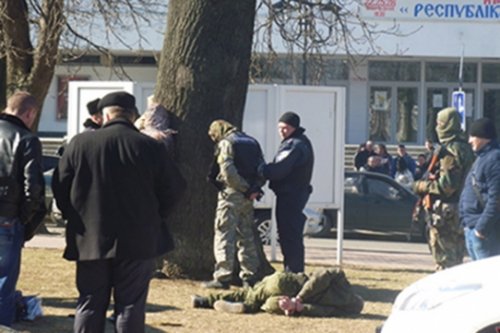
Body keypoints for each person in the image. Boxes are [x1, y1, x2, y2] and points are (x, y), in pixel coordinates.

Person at [52, 91, 186, 333]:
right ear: (133, 116)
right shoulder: (150, 147)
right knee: (130, 306)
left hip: (90, 237)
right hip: (139, 238)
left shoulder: (80, 144)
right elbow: (175, 189)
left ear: (104, 116)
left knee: (90, 302)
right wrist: (155, 216)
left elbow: (60, 186)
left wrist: (75, 216)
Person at [0, 92, 46, 327]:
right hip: (7, 217)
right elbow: (33, 188)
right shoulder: (26, 139)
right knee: (4, 282)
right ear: (29, 114)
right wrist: (25, 220)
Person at [202, 119, 266, 289]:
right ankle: (250, 277)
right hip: (249, 197)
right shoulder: (252, 142)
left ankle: (223, 277)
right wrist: (254, 188)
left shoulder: (226, 143)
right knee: (246, 236)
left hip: (231, 195)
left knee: (224, 233)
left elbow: (228, 171)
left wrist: (243, 188)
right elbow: (262, 168)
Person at [413, 107, 474, 270]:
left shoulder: (450, 151)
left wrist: (421, 186)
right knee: (456, 259)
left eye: (440, 124)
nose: (437, 128)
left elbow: (447, 186)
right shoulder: (466, 147)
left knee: (446, 261)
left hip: (446, 212)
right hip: (460, 209)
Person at [260, 112, 314, 273]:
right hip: (293, 194)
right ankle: (293, 270)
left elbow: (280, 169)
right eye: (280, 128)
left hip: (290, 196)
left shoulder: (294, 145)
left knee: (289, 235)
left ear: (294, 128)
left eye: (286, 128)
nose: (282, 131)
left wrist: (261, 169)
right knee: (290, 234)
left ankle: (293, 272)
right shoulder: (300, 142)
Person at [191, 268, 364, 318]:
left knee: (250, 293)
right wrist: (299, 307)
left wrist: (299, 299)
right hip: (286, 305)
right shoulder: (345, 310)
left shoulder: (342, 283)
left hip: (288, 286)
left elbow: (322, 276)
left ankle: (205, 301)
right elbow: (324, 311)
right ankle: (205, 302)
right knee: (267, 304)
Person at [459, 118, 500, 260]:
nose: (470, 140)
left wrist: (481, 228)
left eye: (473, 136)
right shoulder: (481, 158)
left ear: (484, 138)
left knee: (490, 278)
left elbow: (496, 199)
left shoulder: (494, 159)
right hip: (472, 227)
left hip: (485, 232)